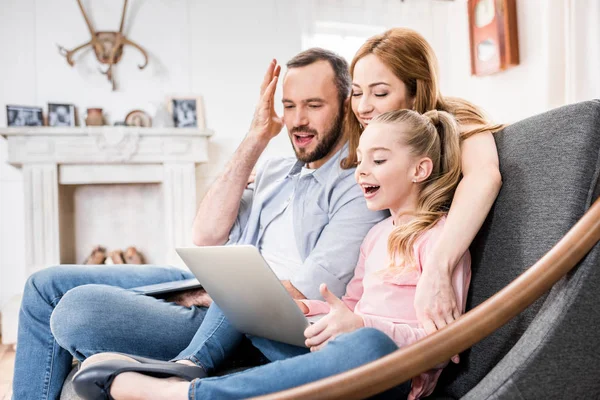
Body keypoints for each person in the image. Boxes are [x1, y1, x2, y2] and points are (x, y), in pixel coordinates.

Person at [11, 49, 386, 400]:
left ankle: (188, 367)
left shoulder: (357, 185)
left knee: (77, 310)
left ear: (345, 106)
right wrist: (257, 136)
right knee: (43, 286)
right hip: (211, 290)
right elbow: (206, 236)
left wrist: (216, 294)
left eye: (314, 106)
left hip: (245, 320)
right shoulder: (275, 171)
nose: (298, 120)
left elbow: (309, 293)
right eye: (289, 106)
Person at [73, 108, 471, 400]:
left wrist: (361, 326)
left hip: (390, 372)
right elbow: (347, 307)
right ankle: (190, 362)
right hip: (330, 351)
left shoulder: (443, 239)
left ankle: (184, 395)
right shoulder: (377, 235)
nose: (362, 170)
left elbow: (445, 344)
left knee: (368, 344)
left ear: (420, 170)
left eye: (378, 160)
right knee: (248, 289)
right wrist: (305, 311)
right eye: (361, 159)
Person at [343, 27, 502, 333]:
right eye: (358, 92)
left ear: (416, 93)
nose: (363, 106)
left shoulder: (456, 120)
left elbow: (484, 177)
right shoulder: (367, 135)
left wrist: (438, 267)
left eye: (379, 93)